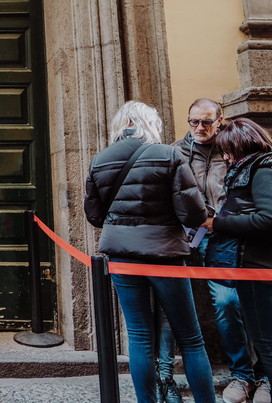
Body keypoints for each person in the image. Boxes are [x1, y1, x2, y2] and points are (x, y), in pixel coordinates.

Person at [84, 100, 215, 403]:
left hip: (122, 257)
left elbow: (93, 216)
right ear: (151, 123)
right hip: (165, 255)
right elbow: (193, 214)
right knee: (191, 338)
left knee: (139, 335)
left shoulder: (100, 159)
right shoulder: (168, 154)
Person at [164, 99, 269, 403]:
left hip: (234, 234)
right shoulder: (176, 151)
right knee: (211, 305)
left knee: (242, 301)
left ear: (220, 120)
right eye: (193, 122)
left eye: (206, 122)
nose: (199, 128)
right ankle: (239, 374)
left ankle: (258, 374)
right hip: (192, 236)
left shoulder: (234, 146)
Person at [202, 118, 272, 403]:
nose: (226, 158)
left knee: (269, 345)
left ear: (241, 144)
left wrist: (218, 224)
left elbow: (271, 219)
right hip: (257, 266)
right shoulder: (261, 167)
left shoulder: (266, 170)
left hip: (260, 268)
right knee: (270, 343)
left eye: (228, 151)